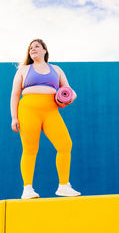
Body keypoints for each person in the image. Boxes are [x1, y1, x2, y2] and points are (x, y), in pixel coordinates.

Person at [10, 38, 81, 199]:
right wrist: (14, 117)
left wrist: (69, 99)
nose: (33, 49)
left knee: (65, 145)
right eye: (30, 48)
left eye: (37, 47)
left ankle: (64, 186)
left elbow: (69, 91)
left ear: (44, 51)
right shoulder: (23, 70)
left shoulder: (56, 69)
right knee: (30, 149)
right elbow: (14, 95)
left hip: (51, 111)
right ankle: (27, 189)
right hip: (28, 110)